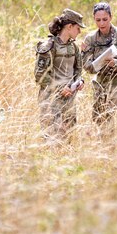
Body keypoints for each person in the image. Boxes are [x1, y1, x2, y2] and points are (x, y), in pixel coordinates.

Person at [81, 1, 117, 127]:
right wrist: (96, 63)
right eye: (98, 20)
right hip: (102, 87)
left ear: (111, 17)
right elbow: (87, 67)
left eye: (105, 19)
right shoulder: (90, 39)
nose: (101, 23)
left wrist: (116, 63)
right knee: (103, 127)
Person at [34, 8, 86, 138]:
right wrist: (59, 88)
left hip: (69, 100)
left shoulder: (73, 47)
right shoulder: (49, 46)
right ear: (69, 26)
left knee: (69, 136)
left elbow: (78, 70)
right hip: (51, 100)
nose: (79, 31)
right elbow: (40, 75)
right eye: (78, 28)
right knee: (52, 137)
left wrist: (79, 82)